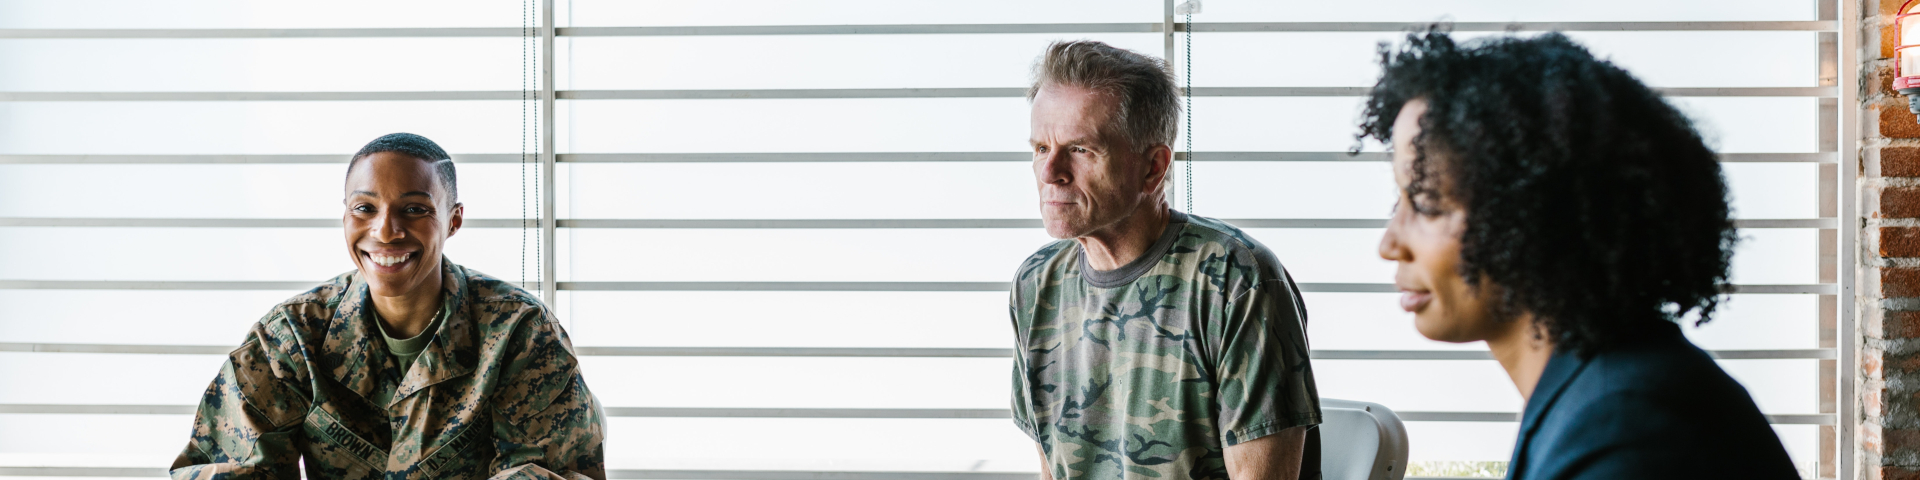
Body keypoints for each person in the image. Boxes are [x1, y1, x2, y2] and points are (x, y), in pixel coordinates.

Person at [1362, 30, 1799, 479]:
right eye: (1400, 202)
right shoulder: (1602, 391)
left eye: (1428, 202)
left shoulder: (1628, 433)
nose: (1389, 245)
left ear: (1533, 213)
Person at [169, 133, 606, 480]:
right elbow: (228, 467)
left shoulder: (518, 330)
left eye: (414, 209)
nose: (386, 230)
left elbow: (546, 472)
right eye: (365, 208)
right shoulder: (294, 335)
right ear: (345, 216)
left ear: (453, 219)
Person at [1009, 40, 1322, 480]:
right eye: (1041, 148)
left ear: (1153, 168)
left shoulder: (1236, 281)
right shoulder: (1037, 284)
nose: (1049, 172)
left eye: (1080, 149)